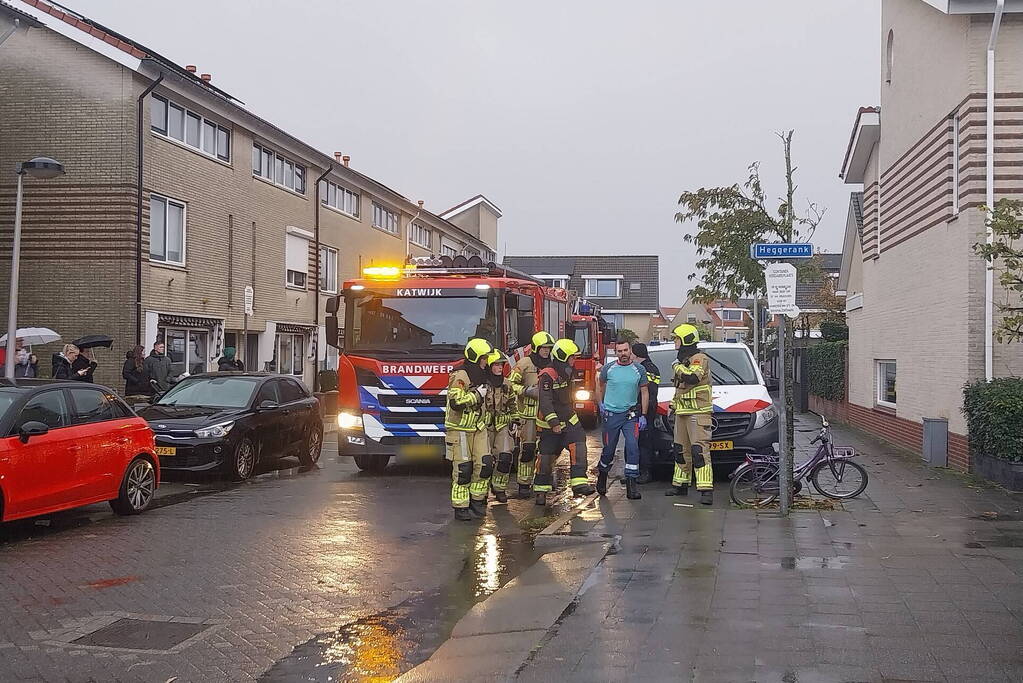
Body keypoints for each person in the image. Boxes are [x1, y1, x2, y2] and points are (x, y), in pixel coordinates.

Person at [534, 338, 596, 506]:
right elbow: (545, 401)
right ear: (562, 357)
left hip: (569, 420)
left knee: (579, 444)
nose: (574, 361)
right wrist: (554, 422)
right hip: (550, 426)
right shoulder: (547, 375)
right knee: (546, 457)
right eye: (571, 357)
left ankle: (579, 483)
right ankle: (540, 490)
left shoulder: (567, 372)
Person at [664, 324, 715, 505]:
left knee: (699, 451)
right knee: (680, 450)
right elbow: (680, 389)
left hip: (699, 413)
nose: (674, 342)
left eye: (677, 339)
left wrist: (677, 367)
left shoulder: (699, 358)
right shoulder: (683, 360)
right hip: (682, 413)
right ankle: (680, 485)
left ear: (686, 340)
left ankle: (705, 490)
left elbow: (692, 378)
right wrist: (672, 406)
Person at [446, 338, 494, 522]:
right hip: (460, 429)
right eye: (484, 358)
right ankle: (461, 506)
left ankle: (477, 501)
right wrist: (476, 395)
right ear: (476, 358)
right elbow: (456, 402)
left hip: (479, 427)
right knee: (463, 469)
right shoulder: (460, 376)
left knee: (484, 465)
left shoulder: (484, 375)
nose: (486, 362)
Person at [594, 340, 648, 500]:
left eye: (625, 350)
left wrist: (643, 414)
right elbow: (599, 386)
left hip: (630, 416)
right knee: (609, 450)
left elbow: (645, 391)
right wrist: (600, 404)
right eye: (619, 351)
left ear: (630, 351)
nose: (623, 354)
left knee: (633, 447)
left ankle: (632, 486)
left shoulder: (639, 369)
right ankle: (602, 476)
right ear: (616, 353)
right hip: (611, 415)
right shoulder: (608, 369)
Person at [509, 331, 555, 499]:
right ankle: (523, 483)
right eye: (543, 348)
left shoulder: (553, 365)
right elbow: (510, 385)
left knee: (547, 450)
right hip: (528, 415)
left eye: (549, 348)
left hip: (547, 415)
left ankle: (545, 479)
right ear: (536, 348)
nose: (546, 351)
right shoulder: (524, 364)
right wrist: (527, 391)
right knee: (528, 449)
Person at [483, 349, 516, 504]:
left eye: (501, 365)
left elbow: (512, 404)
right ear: (490, 367)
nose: (499, 368)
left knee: (505, 457)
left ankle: (499, 487)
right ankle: (481, 492)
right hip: (485, 427)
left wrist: (515, 420)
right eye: (496, 365)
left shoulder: (507, 384)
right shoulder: (482, 385)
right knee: (484, 461)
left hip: (502, 425)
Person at [632, 343, 661, 484]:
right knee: (636, 443)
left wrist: (643, 414)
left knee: (644, 443)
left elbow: (647, 392)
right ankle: (634, 472)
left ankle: (645, 472)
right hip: (642, 409)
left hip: (645, 411)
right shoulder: (647, 367)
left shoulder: (647, 369)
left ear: (636, 355)